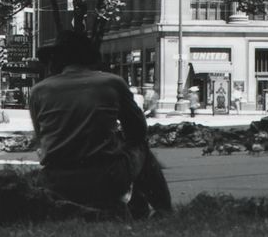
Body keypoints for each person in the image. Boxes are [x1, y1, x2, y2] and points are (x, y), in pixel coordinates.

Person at [27, 29, 172, 218]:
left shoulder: (39, 91)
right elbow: (137, 131)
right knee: (140, 148)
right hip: (105, 177)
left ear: (56, 60)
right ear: (89, 57)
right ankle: (163, 210)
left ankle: (137, 206)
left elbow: (41, 137)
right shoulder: (111, 83)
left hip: (56, 180)